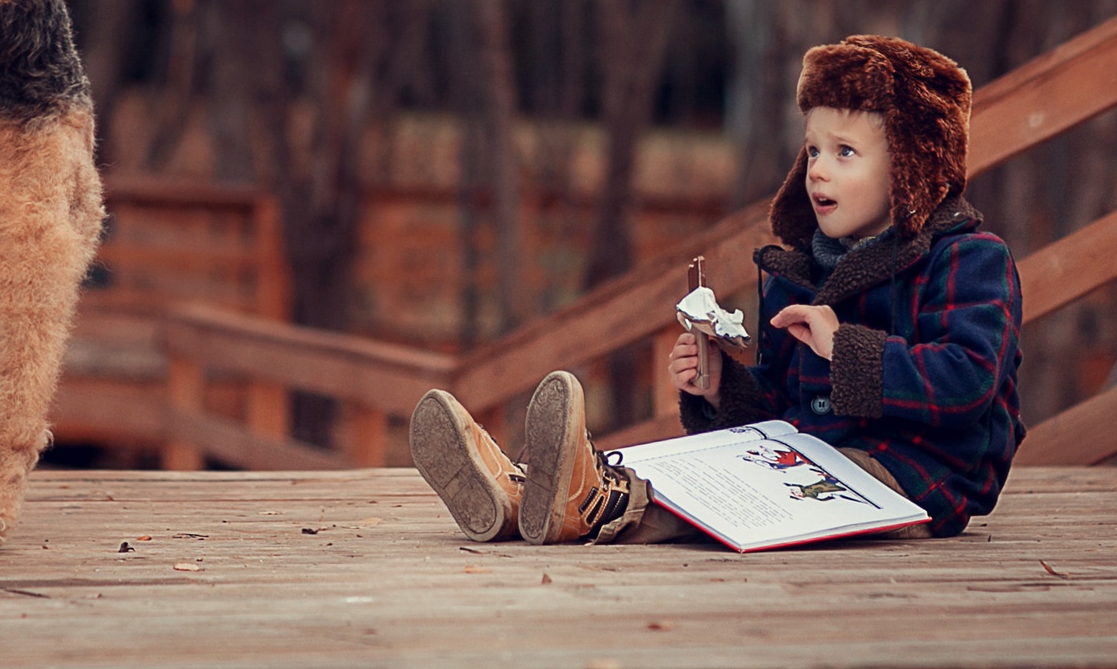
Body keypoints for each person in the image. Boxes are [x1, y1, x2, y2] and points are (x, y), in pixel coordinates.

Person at [410, 34, 1023, 545]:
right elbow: (779, 413)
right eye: (812, 148)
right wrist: (720, 388)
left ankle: (584, 503)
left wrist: (846, 350)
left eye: (845, 151)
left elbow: (969, 382)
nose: (818, 169)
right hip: (813, 463)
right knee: (726, 474)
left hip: (917, 478)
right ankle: (523, 500)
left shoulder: (970, 261)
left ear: (910, 168)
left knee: (757, 492)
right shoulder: (801, 270)